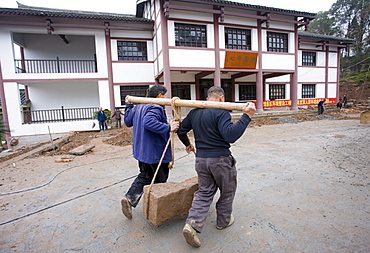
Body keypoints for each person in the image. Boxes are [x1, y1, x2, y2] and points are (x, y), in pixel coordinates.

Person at [177, 86, 256, 247]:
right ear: (221, 98)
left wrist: (188, 144)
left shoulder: (195, 112)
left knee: (204, 192)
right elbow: (231, 135)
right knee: (227, 191)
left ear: (208, 97)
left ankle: (192, 225)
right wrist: (246, 116)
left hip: (201, 160)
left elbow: (181, 130)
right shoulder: (221, 112)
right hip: (220, 160)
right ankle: (223, 221)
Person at [121, 85, 179, 219]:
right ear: (160, 96)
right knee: (160, 180)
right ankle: (155, 208)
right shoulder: (155, 107)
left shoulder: (139, 106)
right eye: (164, 96)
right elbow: (148, 122)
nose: (165, 98)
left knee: (145, 175)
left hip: (141, 151)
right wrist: (168, 127)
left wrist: (129, 106)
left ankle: (130, 198)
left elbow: (128, 122)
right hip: (155, 152)